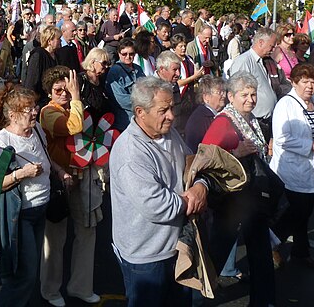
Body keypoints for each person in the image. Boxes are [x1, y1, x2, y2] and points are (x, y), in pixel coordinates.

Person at [109, 77, 208, 307]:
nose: (171, 116)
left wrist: (201, 186)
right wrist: (191, 199)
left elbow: (194, 164)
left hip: (175, 248)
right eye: (163, 110)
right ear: (140, 112)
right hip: (146, 258)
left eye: (171, 107)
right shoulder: (131, 153)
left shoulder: (168, 133)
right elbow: (156, 206)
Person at [202, 72, 276, 306]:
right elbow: (205, 160)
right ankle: (196, 297)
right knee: (217, 254)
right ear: (231, 97)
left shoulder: (251, 120)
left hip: (253, 198)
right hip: (231, 201)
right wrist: (236, 153)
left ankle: (263, 301)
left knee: (261, 254)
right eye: (244, 95)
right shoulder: (223, 122)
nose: (250, 99)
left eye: (253, 94)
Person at [0, 85, 53, 307]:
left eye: (35, 106)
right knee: (24, 275)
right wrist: (22, 173)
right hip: (20, 215)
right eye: (29, 109)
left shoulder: (37, 131)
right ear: (12, 115)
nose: (35, 112)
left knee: (28, 272)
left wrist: (60, 171)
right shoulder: (1, 142)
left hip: (41, 209)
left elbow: (47, 159)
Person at [39, 67, 101, 307]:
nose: (64, 94)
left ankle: (81, 286)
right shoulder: (47, 113)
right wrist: (77, 98)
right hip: (60, 180)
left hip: (82, 175)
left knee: (87, 231)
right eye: (58, 91)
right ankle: (50, 290)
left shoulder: (74, 106)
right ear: (49, 93)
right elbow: (74, 127)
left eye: (67, 89)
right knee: (55, 239)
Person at [270, 63, 314, 269]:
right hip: (292, 170)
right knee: (298, 211)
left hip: (313, 168)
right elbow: (281, 139)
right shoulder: (285, 105)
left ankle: (301, 251)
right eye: (305, 82)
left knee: (305, 212)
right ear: (294, 82)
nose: (310, 86)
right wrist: (311, 145)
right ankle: (270, 242)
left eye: (313, 82)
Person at [228, 27, 278, 140]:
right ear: (261, 42)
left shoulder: (262, 61)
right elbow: (238, 92)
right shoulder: (244, 62)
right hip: (254, 122)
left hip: (264, 121)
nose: (274, 49)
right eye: (272, 46)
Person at [105, 38, 146, 131]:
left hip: (140, 119)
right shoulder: (115, 71)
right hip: (124, 121)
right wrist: (144, 103)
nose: (128, 57)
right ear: (119, 54)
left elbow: (147, 89)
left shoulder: (138, 69)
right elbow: (121, 99)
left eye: (131, 54)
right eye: (124, 54)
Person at [185, 75, 227, 152]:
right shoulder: (200, 120)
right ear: (206, 97)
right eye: (219, 92)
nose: (224, 95)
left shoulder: (213, 115)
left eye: (224, 91)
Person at [23, 25, 61, 106]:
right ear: (49, 41)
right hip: (40, 100)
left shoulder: (56, 55)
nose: (60, 41)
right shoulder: (38, 55)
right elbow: (31, 81)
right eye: (58, 39)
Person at [78, 48, 112, 123]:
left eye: (108, 64)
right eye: (104, 63)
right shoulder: (80, 80)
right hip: (85, 125)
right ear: (92, 62)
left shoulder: (103, 79)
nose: (106, 66)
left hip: (102, 126)